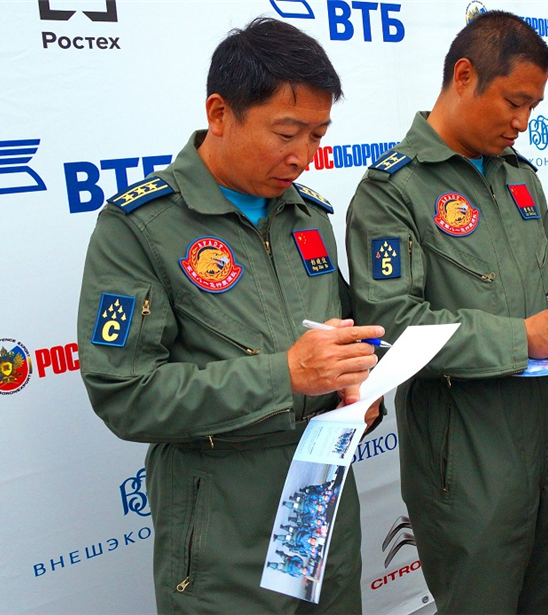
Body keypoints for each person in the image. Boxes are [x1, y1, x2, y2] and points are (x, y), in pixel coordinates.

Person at [77, 18, 383, 614]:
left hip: (322, 510)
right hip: (223, 529)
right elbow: (124, 393)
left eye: (318, 135)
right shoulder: (141, 227)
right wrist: (284, 376)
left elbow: (344, 339)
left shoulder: (308, 216)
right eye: (287, 133)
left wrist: (363, 387)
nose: (303, 156)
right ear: (220, 113)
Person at [344, 10, 548, 614]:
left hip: (544, 432)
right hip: (462, 451)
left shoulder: (519, 177)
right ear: (464, 76)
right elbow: (391, 324)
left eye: (533, 108)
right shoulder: (394, 191)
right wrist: (520, 337)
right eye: (514, 102)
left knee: (545, 594)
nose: (523, 123)